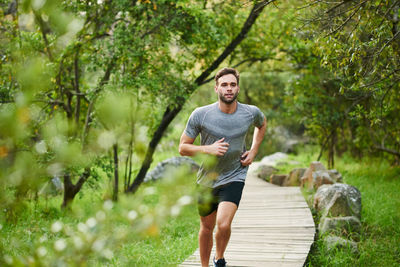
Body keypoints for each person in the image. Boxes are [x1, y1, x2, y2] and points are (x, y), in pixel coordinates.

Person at [179, 67, 267, 267]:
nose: (229, 89)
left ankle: (219, 258)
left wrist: (253, 151)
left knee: (224, 223)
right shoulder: (201, 115)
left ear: (238, 88)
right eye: (224, 85)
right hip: (206, 179)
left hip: (234, 175)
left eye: (233, 85)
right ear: (216, 88)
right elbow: (183, 148)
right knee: (206, 227)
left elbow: (262, 124)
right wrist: (208, 149)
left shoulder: (250, 112)